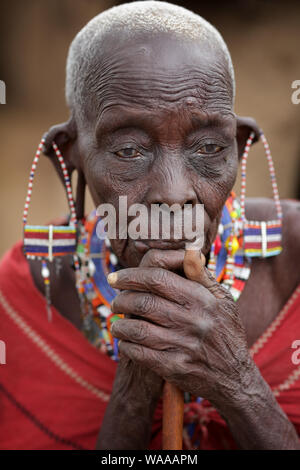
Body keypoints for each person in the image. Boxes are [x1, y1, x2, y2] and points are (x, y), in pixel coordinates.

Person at [0, 1, 300, 450]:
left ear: (238, 148)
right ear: (70, 158)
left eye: (208, 148)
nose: (174, 193)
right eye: (128, 151)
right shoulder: (24, 297)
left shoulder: (294, 261)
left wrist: (239, 384)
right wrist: (135, 384)